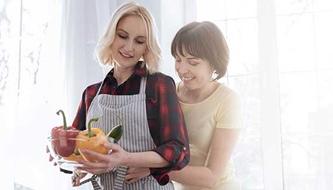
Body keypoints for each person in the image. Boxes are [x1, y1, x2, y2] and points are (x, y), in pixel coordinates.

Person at [70, 2, 190, 190]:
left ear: (146, 47)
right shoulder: (92, 94)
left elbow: (178, 151)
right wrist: (68, 159)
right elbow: (76, 146)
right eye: (123, 36)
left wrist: (126, 158)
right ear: (111, 35)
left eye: (139, 41)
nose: (129, 47)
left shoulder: (159, 85)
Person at [126, 21, 242, 190]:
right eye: (178, 60)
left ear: (214, 63)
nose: (182, 69)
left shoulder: (228, 100)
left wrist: (154, 168)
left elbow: (211, 177)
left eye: (192, 63)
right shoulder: (168, 91)